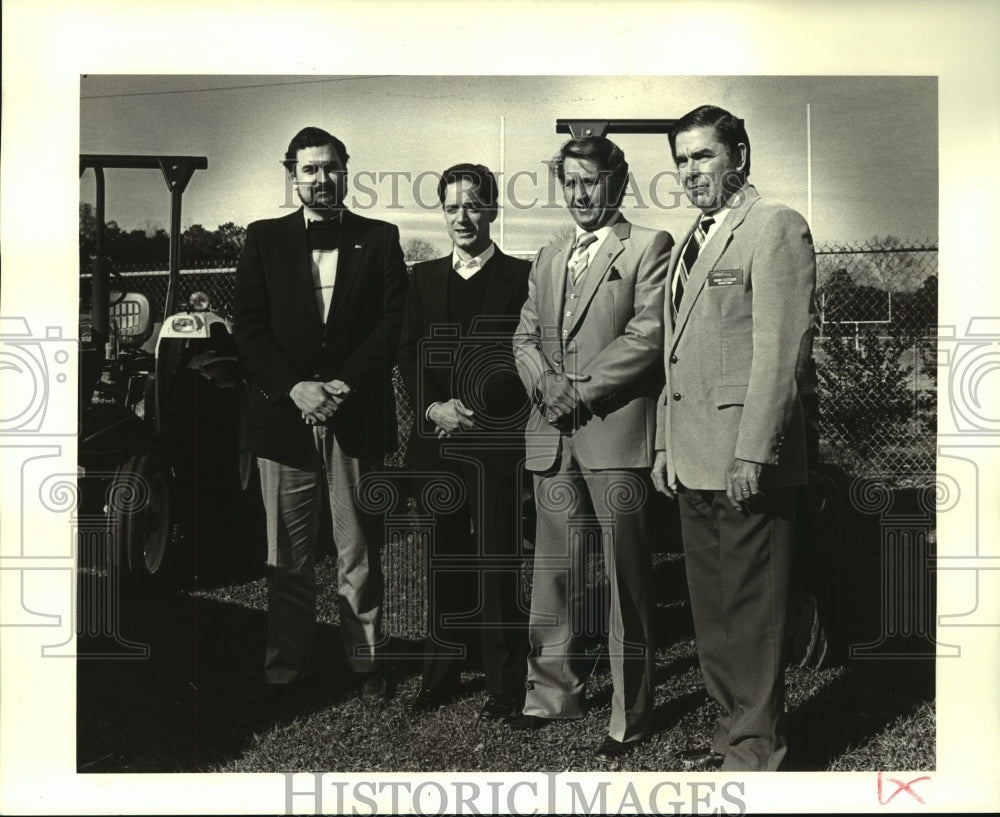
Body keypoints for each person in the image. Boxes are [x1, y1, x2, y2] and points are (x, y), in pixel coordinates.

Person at [652, 105, 817, 772]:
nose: (691, 171)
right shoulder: (691, 238)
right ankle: (732, 731)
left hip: (746, 460)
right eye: (682, 160)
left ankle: (757, 750)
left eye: (703, 156)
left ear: (738, 155)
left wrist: (755, 447)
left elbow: (782, 350)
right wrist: (664, 443)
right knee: (714, 612)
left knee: (753, 612)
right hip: (691, 458)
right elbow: (675, 355)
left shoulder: (774, 226)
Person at [509, 136, 673, 762]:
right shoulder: (550, 254)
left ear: (619, 180)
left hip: (616, 438)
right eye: (569, 183)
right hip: (551, 439)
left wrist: (578, 391)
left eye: (590, 182)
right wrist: (544, 386)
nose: (579, 195)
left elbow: (647, 335)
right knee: (555, 572)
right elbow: (523, 336)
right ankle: (551, 694)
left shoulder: (648, 247)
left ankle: (628, 715)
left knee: (625, 577)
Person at [233, 126, 407, 702]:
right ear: (293, 176)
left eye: (330, 167)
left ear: (345, 170)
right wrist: (296, 389)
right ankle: (288, 668)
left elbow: (391, 326)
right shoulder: (262, 239)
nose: (321, 179)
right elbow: (250, 332)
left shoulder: (380, 238)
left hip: (353, 416)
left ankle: (365, 665)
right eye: (309, 169)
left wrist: (342, 385)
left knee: (357, 548)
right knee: (287, 553)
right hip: (284, 421)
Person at [397, 163, 532, 722]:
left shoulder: (521, 276)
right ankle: (442, 672)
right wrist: (434, 408)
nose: (462, 217)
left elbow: (527, 355)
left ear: (493, 210)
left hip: (496, 442)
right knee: (445, 558)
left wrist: (485, 410)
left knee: (497, 559)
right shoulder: (422, 279)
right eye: (452, 207)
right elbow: (409, 352)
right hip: (440, 441)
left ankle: (505, 679)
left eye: (473, 205)